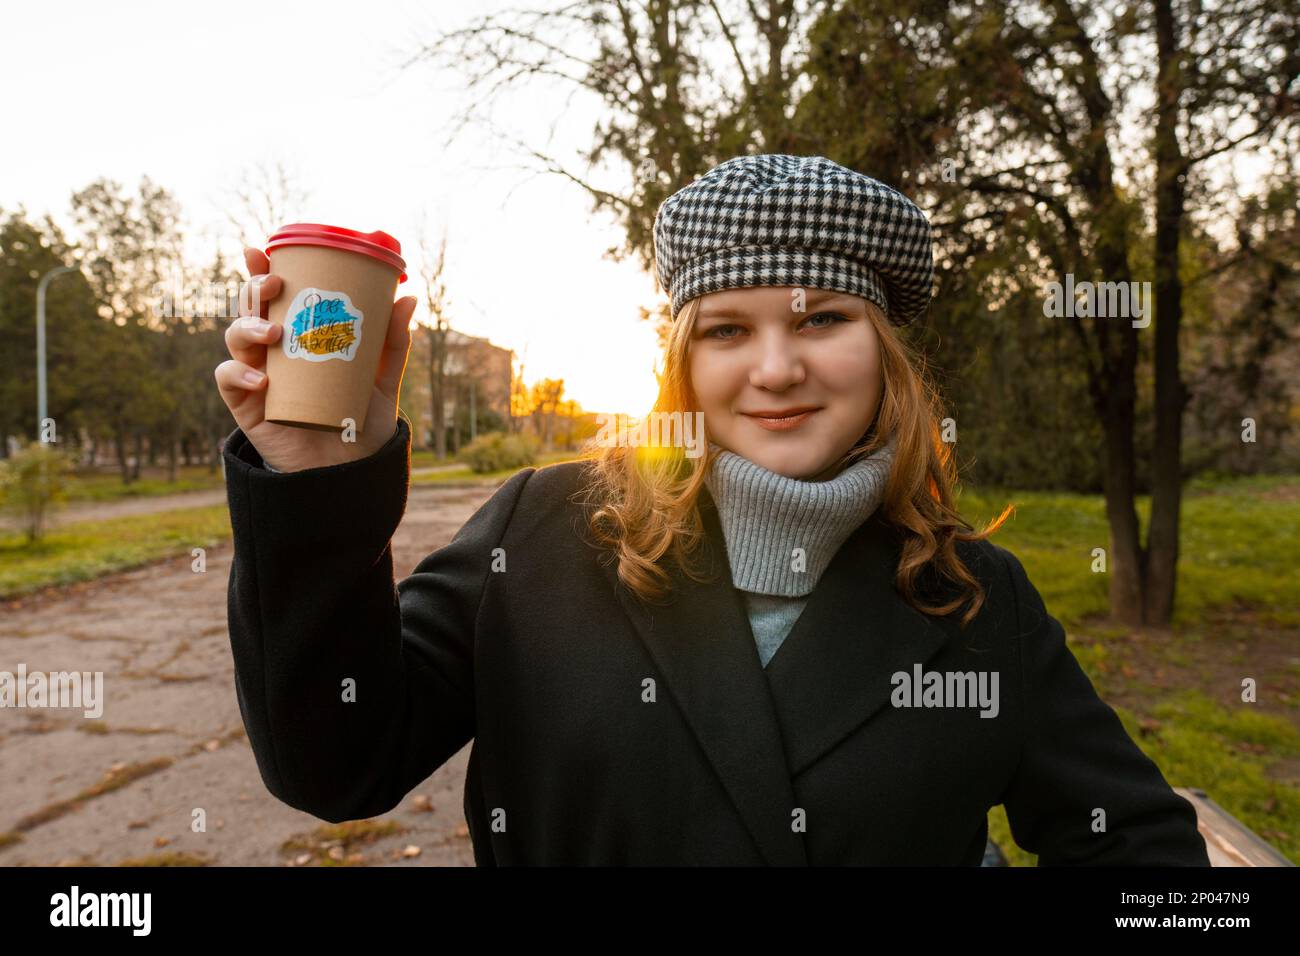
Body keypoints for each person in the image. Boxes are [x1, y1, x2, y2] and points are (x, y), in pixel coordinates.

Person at [214, 153, 1211, 866]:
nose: (776, 368)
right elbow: (335, 765)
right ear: (683, 360)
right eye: (728, 328)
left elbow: (1138, 840)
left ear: (887, 354)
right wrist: (311, 479)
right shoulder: (545, 530)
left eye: (822, 317)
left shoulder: (975, 599)